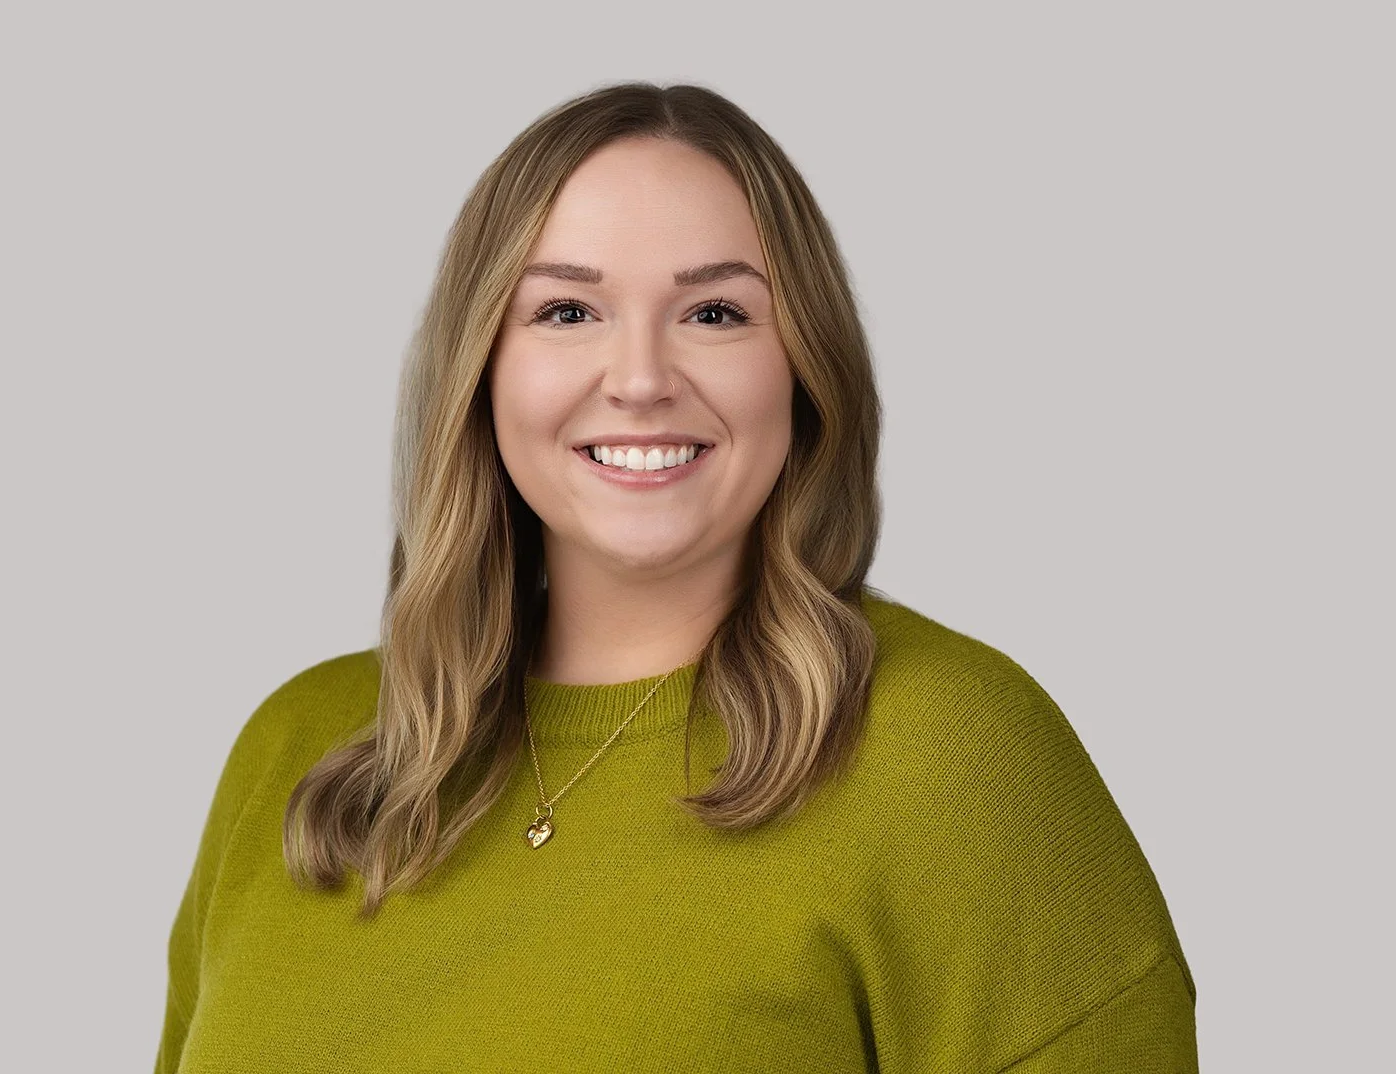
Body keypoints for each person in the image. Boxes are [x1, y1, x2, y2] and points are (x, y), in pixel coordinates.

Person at [153, 82, 1198, 1072]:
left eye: (715, 314)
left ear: (804, 368)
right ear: (481, 370)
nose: (643, 379)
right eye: (567, 312)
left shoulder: (957, 760)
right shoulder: (296, 755)